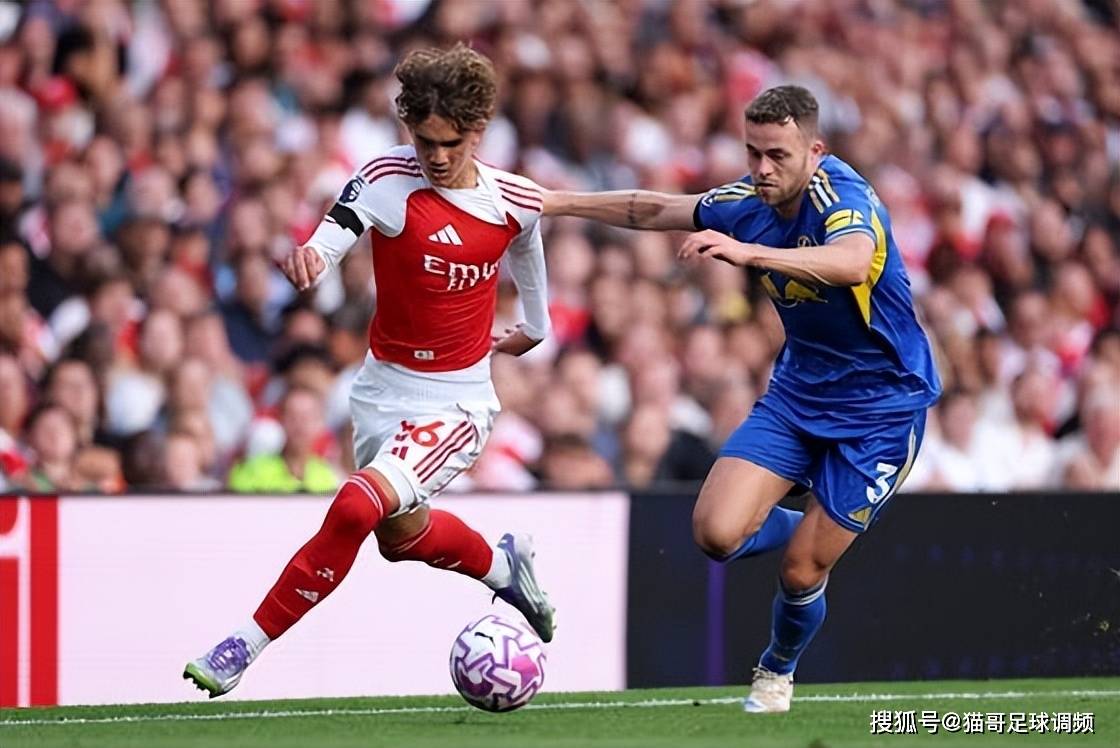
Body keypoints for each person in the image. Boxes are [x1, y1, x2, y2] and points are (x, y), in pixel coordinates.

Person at [543, 85, 941, 713]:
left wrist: (749, 253)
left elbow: (851, 261)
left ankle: (776, 669)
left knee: (801, 572)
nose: (761, 168)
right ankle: (808, 525)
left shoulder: (845, 199)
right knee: (716, 533)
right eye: (753, 152)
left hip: (882, 408)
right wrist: (556, 201)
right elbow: (655, 208)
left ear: (815, 151)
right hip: (799, 395)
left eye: (777, 155)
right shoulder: (746, 202)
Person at [184, 44, 555, 698]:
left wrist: (536, 326)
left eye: (449, 142)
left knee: (355, 505)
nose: (435, 155)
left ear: (477, 131)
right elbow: (334, 232)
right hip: (382, 389)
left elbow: (530, 260)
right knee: (400, 538)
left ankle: (243, 643)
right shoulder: (386, 174)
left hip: (456, 403)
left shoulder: (511, 199)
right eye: (423, 139)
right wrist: (313, 257)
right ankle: (504, 570)